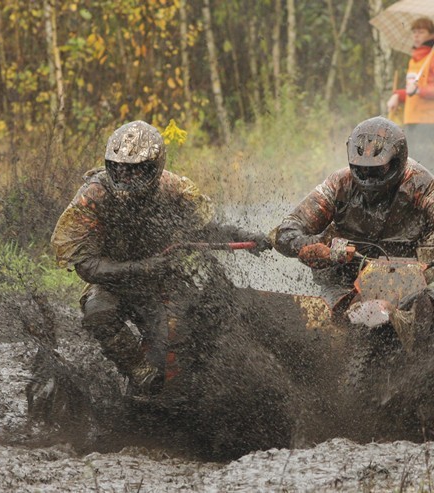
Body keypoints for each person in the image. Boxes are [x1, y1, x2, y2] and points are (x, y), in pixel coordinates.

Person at [51, 120, 271, 393]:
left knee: (180, 336)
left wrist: (248, 238)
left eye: (133, 171)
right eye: (117, 169)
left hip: (162, 280)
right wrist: (139, 268)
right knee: (98, 312)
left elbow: (207, 229)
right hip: (113, 280)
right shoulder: (94, 195)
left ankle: (191, 388)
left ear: (154, 168)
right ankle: (137, 371)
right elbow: (86, 264)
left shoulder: (174, 189)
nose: (124, 178)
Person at [273, 116, 434, 318]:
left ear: (397, 161)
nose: (369, 177)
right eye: (362, 169)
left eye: (377, 169)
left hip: (405, 268)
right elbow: (288, 230)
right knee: (329, 314)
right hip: (342, 270)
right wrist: (307, 246)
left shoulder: (418, 184)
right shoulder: (338, 184)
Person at [386, 17, 434, 179]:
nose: (416, 35)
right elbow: (413, 92)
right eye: (414, 32)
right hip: (414, 121)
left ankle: (432, 202)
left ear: (431, 35)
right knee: (412, 167)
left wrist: (419, 90)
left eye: (421, 32)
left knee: (428, 169)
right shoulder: (416, 59)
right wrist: (398, 95)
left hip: (433, 121)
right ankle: (416, 202)